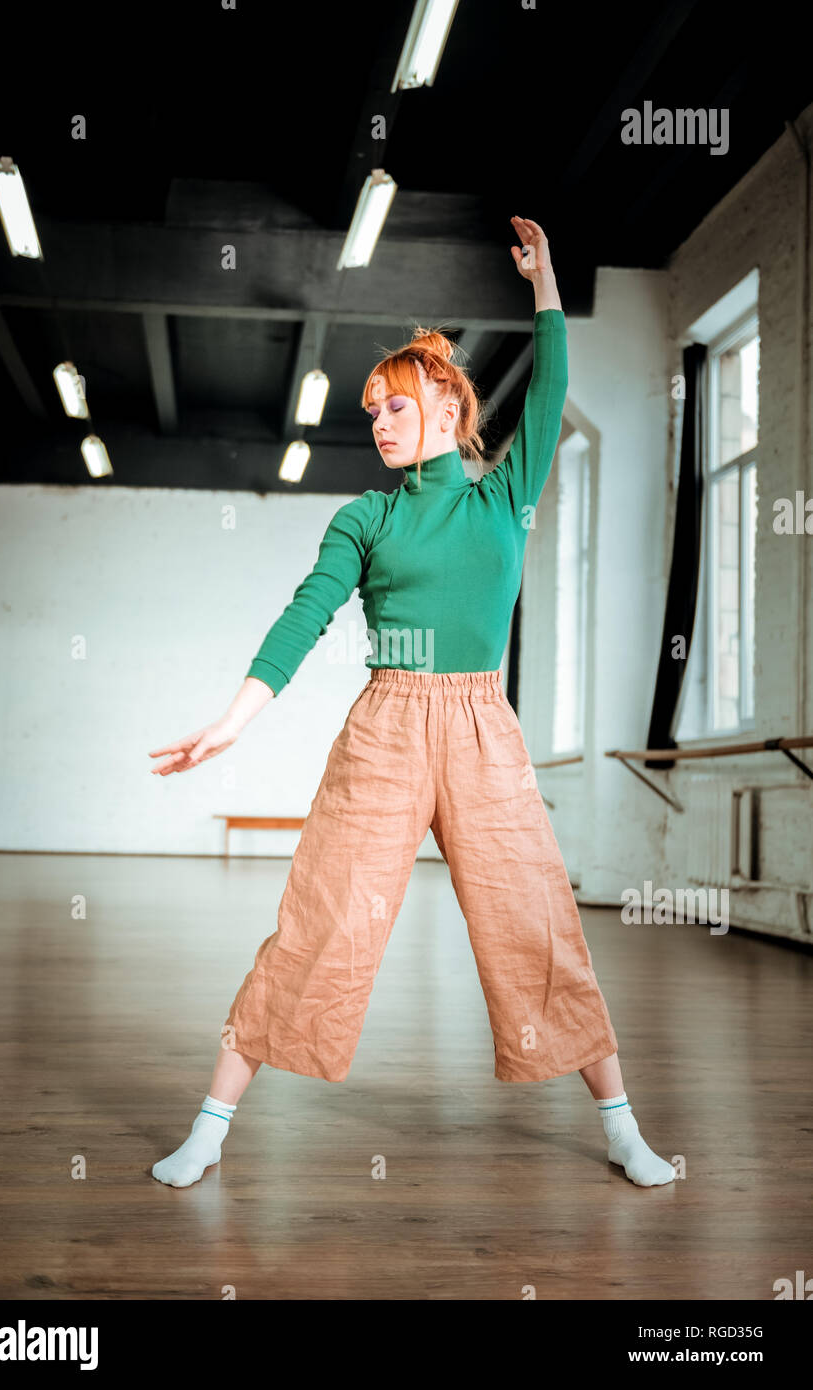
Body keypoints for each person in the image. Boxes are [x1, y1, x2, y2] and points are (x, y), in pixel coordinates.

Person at [148, 218, 676, 1191]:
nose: (381, 423)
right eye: (373, 412)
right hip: (386, 730)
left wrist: (545, 285)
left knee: (536, 923)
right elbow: (304, 615)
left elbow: (552, 382)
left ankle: (620, 1127)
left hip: (483, 729)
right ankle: (212, 1126)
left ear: (444, 401)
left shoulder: (502, 494)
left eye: (394, 405)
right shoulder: (364, 517)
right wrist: (234, 717)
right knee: (320, 923)